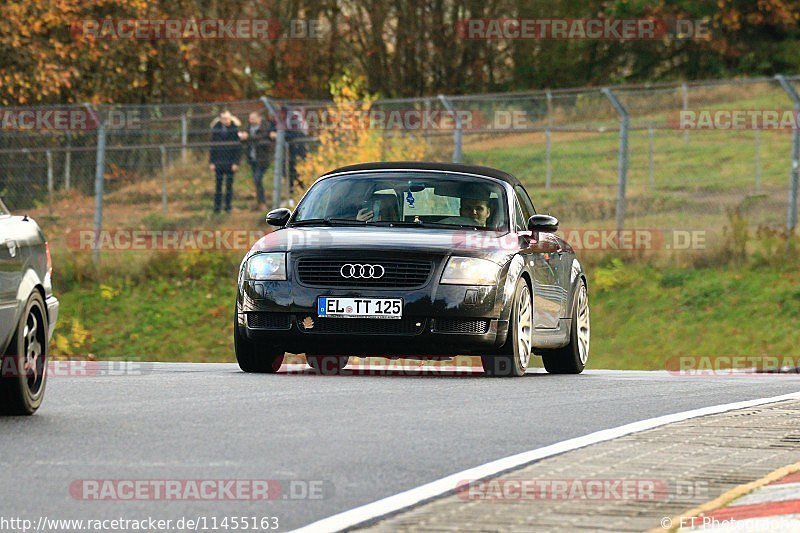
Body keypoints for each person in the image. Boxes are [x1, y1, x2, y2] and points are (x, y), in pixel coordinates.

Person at [238, 111, 276, 209]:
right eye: (250, 118)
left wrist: (247, 137)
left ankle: (262, 202)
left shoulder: (266, 127)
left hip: (263, 158)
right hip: (252, 158)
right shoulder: (248, 127)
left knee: (257, 178)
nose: (250, 120)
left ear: (259, 118)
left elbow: (261, 138)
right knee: (256, 180)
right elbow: (243, 138)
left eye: (253, 118)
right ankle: (260, 202)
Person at [209, 110, 242, 213]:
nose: (226, 120)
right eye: (224, 118)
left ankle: (228, 207)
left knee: (229, 185)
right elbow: (212, 147)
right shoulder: (216, 129)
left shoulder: (234, 129)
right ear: (220, 119)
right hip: (218, 161)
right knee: (218, 185)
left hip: (230, 161)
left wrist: (236, 163)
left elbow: (238, 148)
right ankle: (217, 208)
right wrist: (211, 162)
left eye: (227, 118)